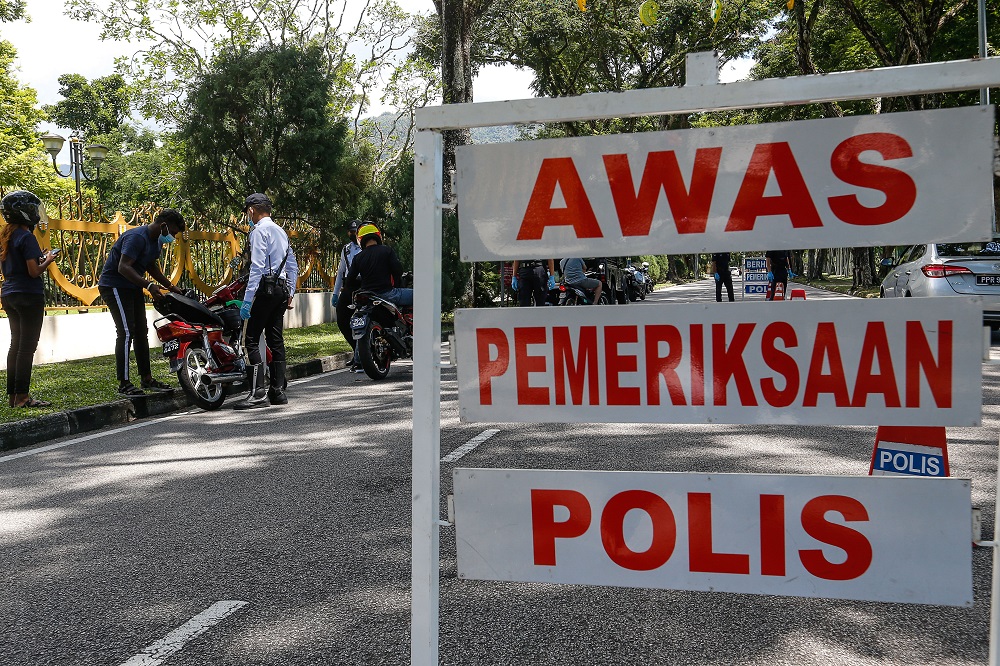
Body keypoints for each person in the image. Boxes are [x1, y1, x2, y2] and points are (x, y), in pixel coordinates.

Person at [98, 208, 186, 396]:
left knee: (141, 332)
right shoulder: (137, 237)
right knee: (126, 331)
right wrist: (149, 285)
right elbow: (123, 267)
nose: (172, 237)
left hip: (131, 287)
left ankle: (146, 378)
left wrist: (170, 286)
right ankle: (124, 383)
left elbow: (149, 266)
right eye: (172, 233)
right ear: (163, 225)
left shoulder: (155, 242)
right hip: (114, 286)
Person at [235, 193, 299, 410]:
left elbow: (257, 267)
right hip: (281, 290)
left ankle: (257, 393)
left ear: (251, 210)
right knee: (275, 339)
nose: (247, 217)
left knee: (251, 339)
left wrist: (247, 300)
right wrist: (291, 290)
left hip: (264, 290)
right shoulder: (281, 232)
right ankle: (278, 392)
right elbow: (292, 265)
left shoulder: (258, 231)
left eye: (247, 213)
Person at [0, 190, 57, 408]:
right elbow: (34, 272)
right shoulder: (26, 237)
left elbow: (15, 266)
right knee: (27, 348)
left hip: (10, 294)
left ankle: (13, 398)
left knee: (16, 345)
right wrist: (48, 259)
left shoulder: (6, 237)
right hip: (29, 295)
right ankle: (23, 397)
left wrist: (38, 258)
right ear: (25, 212)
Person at [345, 223, 412, 307]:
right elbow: (398, 271)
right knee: (419, 295)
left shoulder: (357, 257)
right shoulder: (387, 251)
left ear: (360, 239)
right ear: (378, 236)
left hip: (367, 297)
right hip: (387, 294)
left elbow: (349, 281)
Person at [332, 219, 363, 371]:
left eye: (356, 231)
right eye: (351, 231)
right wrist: (335, 293)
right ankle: (356, 348)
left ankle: (363, 353)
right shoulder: (346, 249)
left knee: (362, 319)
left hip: (365, 284)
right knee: (342, 318)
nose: (354, 234)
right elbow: (340, 272)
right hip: (350, 285)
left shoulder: (367, 246)